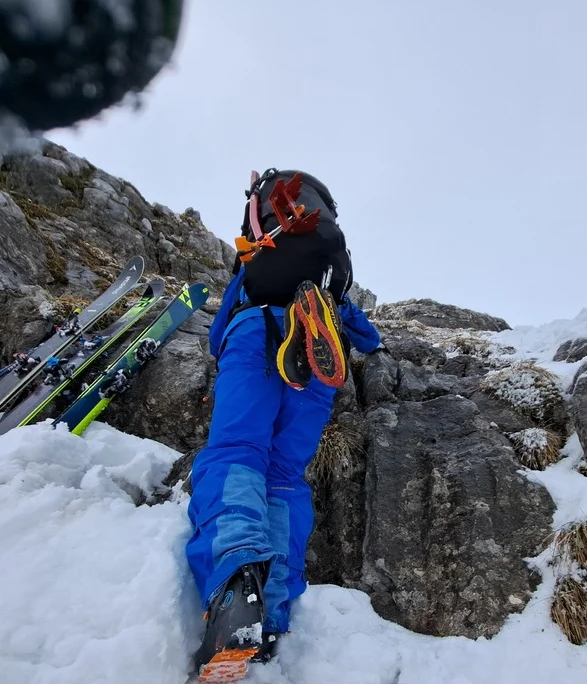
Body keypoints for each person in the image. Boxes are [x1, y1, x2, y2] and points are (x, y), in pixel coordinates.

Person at [186, 169, 384, 681]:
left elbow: (218, 332)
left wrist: (227, 342)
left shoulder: (255, 262)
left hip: (255, 334)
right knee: (284, 476)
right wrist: (366, 338)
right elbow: (366, 334)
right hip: (320, 355)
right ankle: (270, 615)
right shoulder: (330, 274)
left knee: (237, 451)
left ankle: (237, 581)